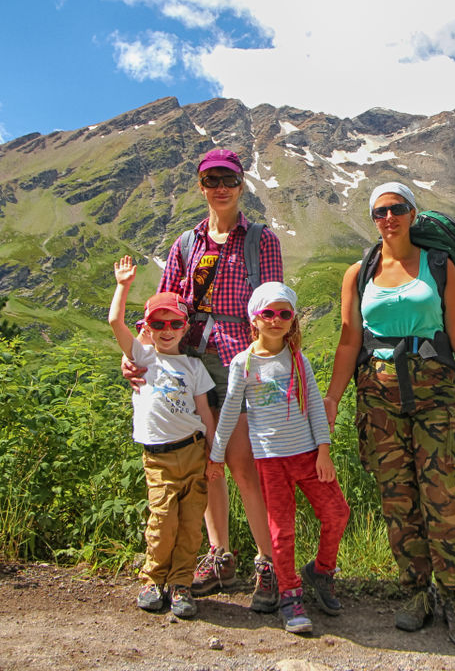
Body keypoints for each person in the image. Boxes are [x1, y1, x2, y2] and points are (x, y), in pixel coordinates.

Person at [321, 181, 455, 648]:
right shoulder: (358, 273)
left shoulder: (439, 266)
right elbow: (347, 341)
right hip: (377, 398)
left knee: (443, 494)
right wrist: (333, 399)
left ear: (413, 213)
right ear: (372, 218)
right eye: (380, 211)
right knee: (397, 497)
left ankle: (454, 595)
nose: (388, 218)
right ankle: (416, 592)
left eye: (397, 209)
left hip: (436, 393)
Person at [123, 148, 282, 613]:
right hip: (190, 362)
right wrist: (137, 354)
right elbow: (165, 304)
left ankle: (267, 563)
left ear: (241, 184)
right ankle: (219, 555)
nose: (220, 188)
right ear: (201, 186)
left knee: (241, 465)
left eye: (228, 180)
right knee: (206, 461)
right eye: (211, 180)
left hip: (240, 364)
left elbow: (270, 303)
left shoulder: (261, 241)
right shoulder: (185, 245)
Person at [209, 282, 350, 634]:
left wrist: (324, 450)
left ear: (292, 320)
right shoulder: (243, 363)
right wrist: (216, 457)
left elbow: (316, 407)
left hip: (307, 455)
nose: (276, 320)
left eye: (284, 314)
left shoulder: (297, 358)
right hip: (271, 460)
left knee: (336, 512)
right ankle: (290, 595)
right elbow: (229, 413)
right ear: (253, 319)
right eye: (268, 313)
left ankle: (321, 570)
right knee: (281, 531)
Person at [108, 257, 215, 619]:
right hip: (158, 457)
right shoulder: (141, 356)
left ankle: (181, 583)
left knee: (190, 525)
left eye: (174, 323)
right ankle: (153, 580)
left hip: (194, 452)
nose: (167, 330)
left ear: (185, 327)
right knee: (162, 519)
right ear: (148, 328)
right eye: (158, 323)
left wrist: (214, 453)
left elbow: (204, 413)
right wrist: (123, 285)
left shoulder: (194, 366)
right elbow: (114, 322)